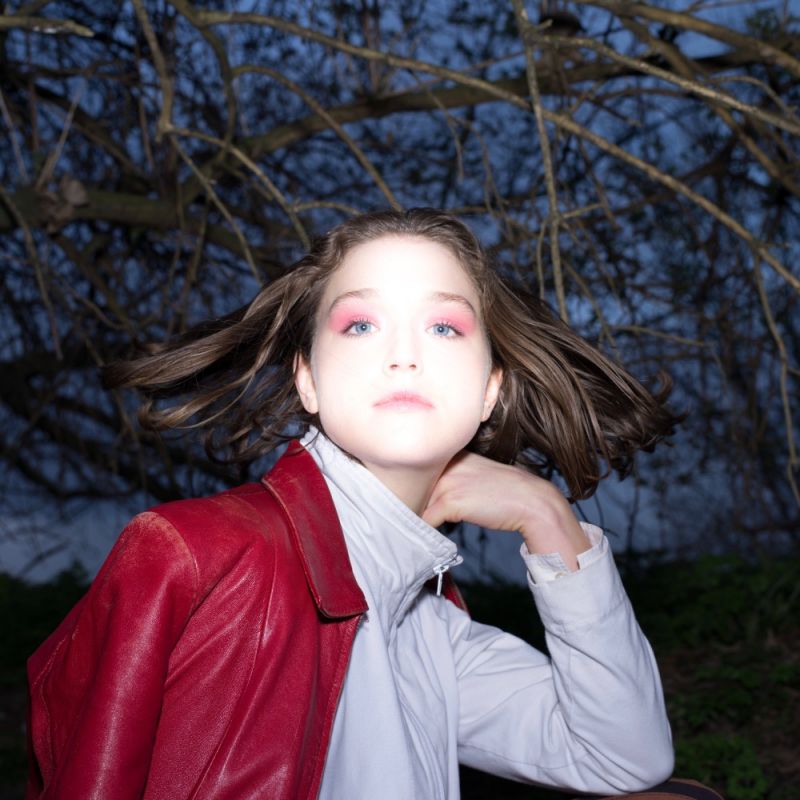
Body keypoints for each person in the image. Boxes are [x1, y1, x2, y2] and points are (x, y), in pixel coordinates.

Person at [25, 209, 717, 800]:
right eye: (360, 325)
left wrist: (548, 517)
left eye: (444, 327)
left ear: (490, 390)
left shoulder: (428, 626)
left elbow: (622, 756)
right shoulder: (198, 558)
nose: (403, 356)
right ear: (308, 380)